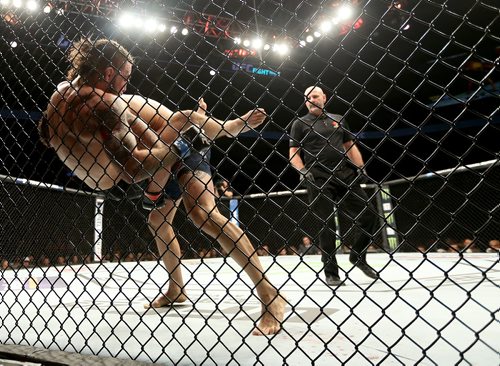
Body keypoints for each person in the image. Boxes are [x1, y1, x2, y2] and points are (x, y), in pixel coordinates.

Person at [38, 38, 266, 195]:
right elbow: (132, 171)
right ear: (108, 73)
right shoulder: (107, 105)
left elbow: (44, 131)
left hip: (91, 165)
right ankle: (227, 129)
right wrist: (183, 147)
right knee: (184, 119)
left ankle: (224, 126)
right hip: (110, 177)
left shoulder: (61, 91)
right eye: (125, 78)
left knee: (150, 112)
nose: (126, 85)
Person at [145, 99, 286, 336]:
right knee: (157, 221)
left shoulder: (121, 104)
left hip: (186, 145)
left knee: (203, 213)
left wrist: (230, 125)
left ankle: (268, 292)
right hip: (160, 159)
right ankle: (176, 288)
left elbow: (185, 118)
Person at [289, 86, 379, 286]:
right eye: (307, 98)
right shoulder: (300, 123)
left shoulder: (338, 118)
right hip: (319, 177)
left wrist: (361, 168)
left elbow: (349, 146)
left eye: (314, 96)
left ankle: (357, 256)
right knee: (326, 224)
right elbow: (294, 151)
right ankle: (331, 273)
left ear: (324, 98)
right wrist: (302, 170)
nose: (310, 100)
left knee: (369, 214)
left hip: (345, 174)